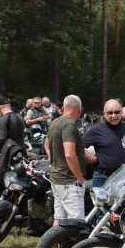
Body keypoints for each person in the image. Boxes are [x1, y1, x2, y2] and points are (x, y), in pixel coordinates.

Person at [46, 94, 85, 224]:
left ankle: (53, 245)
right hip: (69, 181)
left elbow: (46, 145)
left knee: (59, 217)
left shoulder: (55, 122)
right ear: (79, 109)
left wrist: (55, 159)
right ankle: (73, 245)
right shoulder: (69, 125)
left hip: (56, 178)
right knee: (76, 222)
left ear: (63, 108)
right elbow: (70, 154)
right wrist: (79, 178)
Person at [83, 99, 125, 187]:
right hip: (102, 178)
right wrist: (93, 159)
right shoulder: (96, 130)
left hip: (122, 177)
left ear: (121, 112)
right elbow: (77, 147)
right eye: (110, 113)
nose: (113, 115)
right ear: (104, 113)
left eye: (117, 112)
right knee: (102, 201)